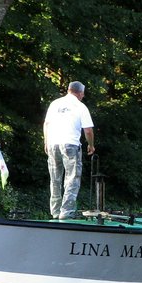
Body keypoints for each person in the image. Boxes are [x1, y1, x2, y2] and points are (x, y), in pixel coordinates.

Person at [44, 81, 95, 220]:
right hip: (71, 145)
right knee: (72, 178)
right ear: (79, 93)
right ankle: (66, 212)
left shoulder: (55, 104)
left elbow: (46, 124)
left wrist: (46, 142)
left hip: (53, 144)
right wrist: (91, 145)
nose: (83, 96)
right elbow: (88, 130)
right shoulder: (80, 106)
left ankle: (54, 211)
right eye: (83, 93)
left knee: (55, 178)